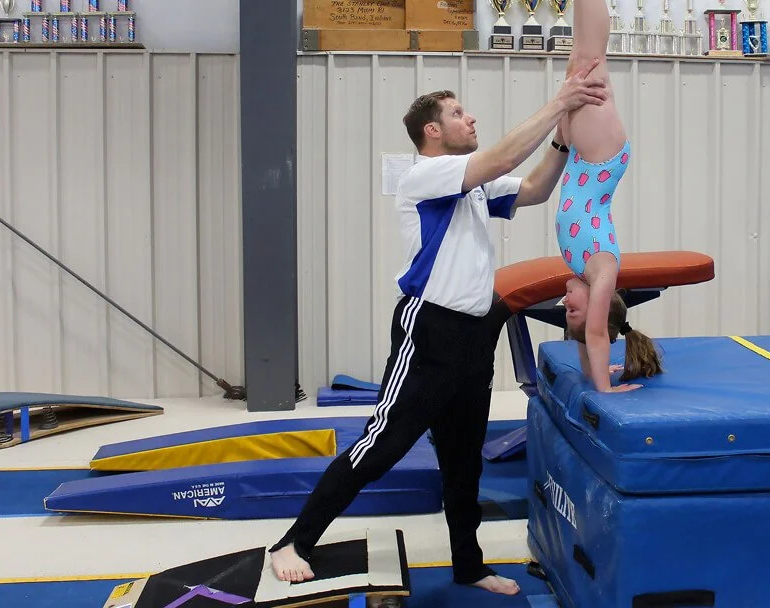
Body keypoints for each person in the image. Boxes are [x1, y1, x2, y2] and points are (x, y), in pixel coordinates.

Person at [267, 61, 610, 597]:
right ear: (432, 130)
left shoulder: (474, 184)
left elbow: (539, 187)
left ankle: (468, 565)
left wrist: (562, 142)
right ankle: (293, 543)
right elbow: (501, 155)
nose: (469, 118)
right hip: (427, 331)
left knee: (462, 460)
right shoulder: (423, 175)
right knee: (379, 448)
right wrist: (560, 103)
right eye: (457, 113)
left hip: (474, 338)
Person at [555, 0, 663, 392]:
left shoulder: (580, 271)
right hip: (601, 159)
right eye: (574, 311)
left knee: (576, 59)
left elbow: (589, 338)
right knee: (590, 58)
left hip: (582, 157)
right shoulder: (602, 272)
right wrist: (605, 387)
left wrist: (590, 370)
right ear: (601, 306)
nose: (565, 305)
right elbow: (598, 335)